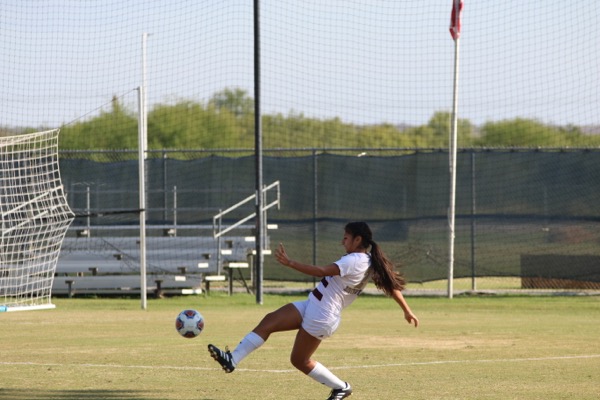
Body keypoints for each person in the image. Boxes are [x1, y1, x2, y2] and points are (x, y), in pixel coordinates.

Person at [208, 221, 419, 400]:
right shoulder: (369, 262)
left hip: (322, 315)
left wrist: (290, 263)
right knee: (269, 321)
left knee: (299, 360)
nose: (342, 241)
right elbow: (392, 287)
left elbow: (321, 271)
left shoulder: (354, 260)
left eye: (346, 238)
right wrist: (407, 311)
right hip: (313, 305)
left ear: (357, 240)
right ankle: (232, 359)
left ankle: (341, 387)